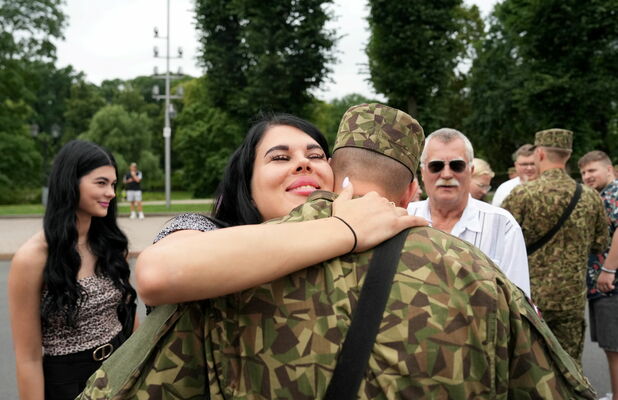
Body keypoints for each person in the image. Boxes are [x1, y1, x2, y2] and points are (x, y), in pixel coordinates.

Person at [80, 105, 595, 399]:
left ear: (338, 175)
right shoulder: (212, 239)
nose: (303, 165)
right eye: (279, 157)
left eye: (315, 155)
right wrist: (344, 227)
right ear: (246, 178)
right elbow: (158, 271)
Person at [8, 140, 138, 400]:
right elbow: (28, 359)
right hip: (68, 384)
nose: (111, 193)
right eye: (101, 183)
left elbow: (130, 321)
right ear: (70, 183)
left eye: (113, 184)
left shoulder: (110, 245)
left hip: (121, 371)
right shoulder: (32, 258)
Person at [502, 129, 608, 363]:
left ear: (539, 153)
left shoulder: (522, 194)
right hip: (571, 300)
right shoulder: (590, 197)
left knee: (529, 367)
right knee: (570, 369)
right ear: (568, 155)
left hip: (529, 298)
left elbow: (501, 242)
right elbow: (600, 244)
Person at [407, 128, 530, 297]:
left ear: (470, 171)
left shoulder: (502, 225)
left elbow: (519, 302)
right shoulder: (403, 217)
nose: (447, 174)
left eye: (457, 166)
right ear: (422, 172)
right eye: (436, 166)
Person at [578, 150, 618, 400]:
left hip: (610, 285)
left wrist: (608, 270)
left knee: (613, 347)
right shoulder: (602, 195)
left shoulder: (613, 195)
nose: (587, 176)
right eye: (583, 173)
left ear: (610, 170)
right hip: (605, 284)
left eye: (592, 170)